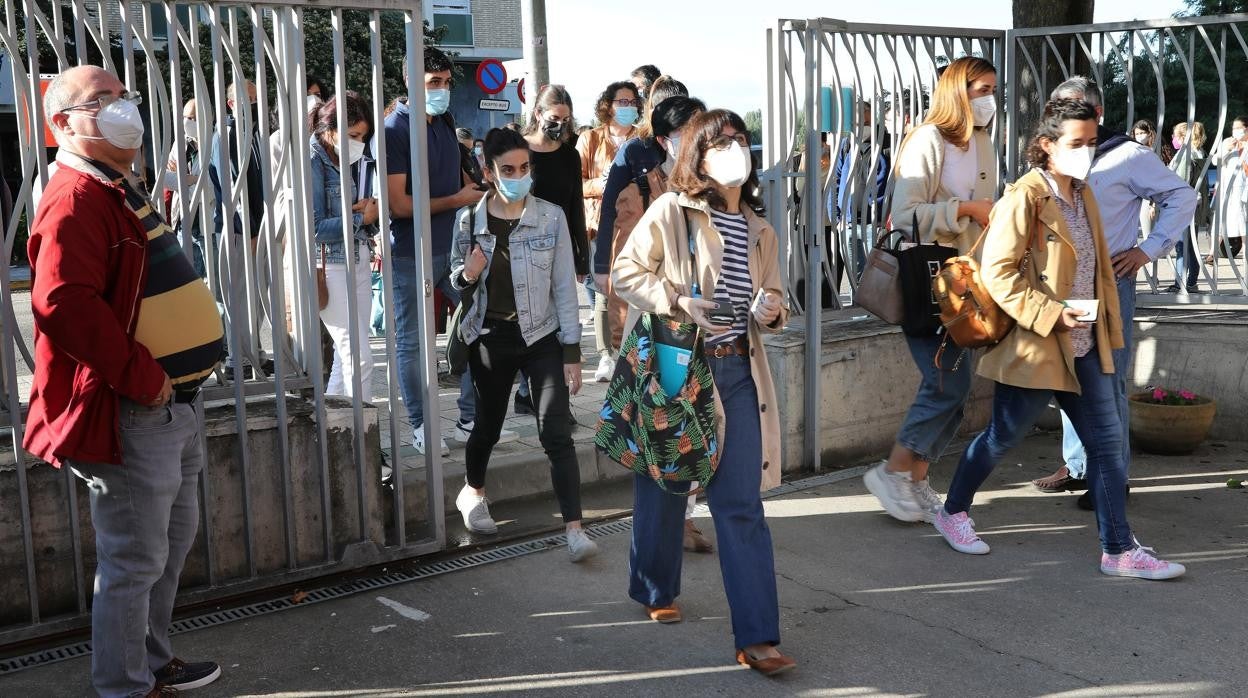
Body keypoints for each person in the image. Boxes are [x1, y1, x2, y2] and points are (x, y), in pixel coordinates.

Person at [29, 65, 226, 696]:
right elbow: (61, 304)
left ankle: (150, 660)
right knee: (135, 558)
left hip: (173, 407)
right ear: (62, 123)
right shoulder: (76, 198)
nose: (122, 106)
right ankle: (124, 685)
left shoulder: (116, 185)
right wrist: (146, 380)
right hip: (136, 409)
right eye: (102, 100)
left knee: (165, 548)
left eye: (124, 95)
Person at [933, 98, 1185, 581]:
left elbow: (1097, 274)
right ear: (1046, 145)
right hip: (1040, 345)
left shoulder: (1083, 192)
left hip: (1087, 345)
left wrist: (1107, 328)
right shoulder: (1024, 196)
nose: (1086, 152)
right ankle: (953, 511)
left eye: (1092, 142)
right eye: (1076, 143)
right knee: (1001, 436)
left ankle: (1118, 550)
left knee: (1108, 447)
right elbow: (1000, 275)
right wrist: (1053, 313)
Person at [612, 109, 795, 675]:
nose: (735, 150)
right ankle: (654, 586)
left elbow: (776, 300)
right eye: (721, 143)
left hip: (738, 371)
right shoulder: (673, 210)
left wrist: (771, 309)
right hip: (677, 365)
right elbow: (625, 272)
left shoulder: (763, 227)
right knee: (666, 484)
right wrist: (676, 299)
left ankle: (758, 638)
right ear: (699, 156)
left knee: (740, 504)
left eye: (741, 140)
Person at [1030, 78, 1197, 500]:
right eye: (1057, 107)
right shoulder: (1054, 155)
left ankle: (1111, 480)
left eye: (1070, 107)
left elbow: (1182, 196)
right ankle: (1079, 465)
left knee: (1106, 380)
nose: (1061, 115)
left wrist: (1148, 250)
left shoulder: (1127, 155)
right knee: (1068, 375)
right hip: (1062, 286)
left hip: (1107, 285)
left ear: (1096, 114)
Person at [862, 56, 999, 524]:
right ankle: (894, 469)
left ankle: (915, 479)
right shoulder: (928, 139)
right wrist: (967, 209)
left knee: (953, 384)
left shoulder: (981, 142)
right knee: (947, 380)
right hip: (928, 276)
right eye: (980, 89)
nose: (988, 99)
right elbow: (905, 215)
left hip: (964, 279)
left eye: (992, 90)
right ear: (957, 91)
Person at [448, 128, 596, 561]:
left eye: (525, 168)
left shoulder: (550, 216)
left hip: (542, 336)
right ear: (489, 172)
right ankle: (472, 491)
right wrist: (470, 272)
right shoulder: (469, 221)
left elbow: (565, 289)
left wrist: (572, 351)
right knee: (488, 426)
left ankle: (575, 529)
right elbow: (456, 282)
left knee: (555, 430)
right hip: (491, 337)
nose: (519, 175)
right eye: (508, 169)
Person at [594, 93, 713, 553]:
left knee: (697, 427)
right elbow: (628, 267)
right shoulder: (645, 190)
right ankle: (661, 540)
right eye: (688, 132)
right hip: (663, 327)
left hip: (708, 330)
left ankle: (682, 516)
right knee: (665, 431)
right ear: (665, 140)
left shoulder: (719, 190)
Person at [383, 47, 516, 455]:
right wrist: (457, 199)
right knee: (413, 343)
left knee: (479, 324)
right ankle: (423, 427)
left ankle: (469, 418)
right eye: (432, 83)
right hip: (411, 252)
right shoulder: (394, 130)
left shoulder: (443, 121)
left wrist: (480, 191)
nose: (441, 90)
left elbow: (459, 176)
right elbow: (399, 206)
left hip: (456, 248)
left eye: (445, 82)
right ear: (410, 81)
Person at [512, 85, 589, 420]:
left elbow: (575, 205)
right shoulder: (520, 151)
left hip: (558, 246)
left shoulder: (569, 154)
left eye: (566, 119)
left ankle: (553, 400)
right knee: (530, 323)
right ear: (538, 114)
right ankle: (528, 391)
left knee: (559, 324)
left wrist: (582, 255)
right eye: (554, 117)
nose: (560, 124)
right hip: (524, 245)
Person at [309, 92, 378, 399]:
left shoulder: (339, 156)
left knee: (345, 357)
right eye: (353, 135)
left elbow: (340, 211)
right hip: (330, 265)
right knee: (359, 358)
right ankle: (360, 438)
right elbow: (314, 228)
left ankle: (333, 433)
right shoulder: (313, 158)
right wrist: (361, 218)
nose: (359, 143)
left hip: (357, 257)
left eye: (363, 136)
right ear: (330, 128)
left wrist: (360, 211)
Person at [577, 80, 641, 383]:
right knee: (603, 288)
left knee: (631, 287)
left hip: (634, 227)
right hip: (599, 223)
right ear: (608, 104)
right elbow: (575, 182)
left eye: (632, 102)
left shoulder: (641, 139)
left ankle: (632, 347)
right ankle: (607, 354)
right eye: (621, 101)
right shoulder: (591, 139)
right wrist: (600, 185)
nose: (627, 107)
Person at [208, 80, 268, 382]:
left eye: (256, 98)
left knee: (253, 297)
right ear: (232, 103)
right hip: (238, 229)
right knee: (241, 296)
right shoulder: (230, 134)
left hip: (249, 226)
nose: (255, 104)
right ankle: (238, 359)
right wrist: (251, 229)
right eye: (249, 99)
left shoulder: (248, 131)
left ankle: (253, 353)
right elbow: (235, 187)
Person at [164, 97, 211, 278]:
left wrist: (184, 179)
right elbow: (166, 178)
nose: (186, 122)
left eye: (192, 118)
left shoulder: (214, 141)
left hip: (208, 223)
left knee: (216, 285)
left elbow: (210, 187)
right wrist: (191, 179)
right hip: (184, 221)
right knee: (190, 280)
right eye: (184, 117)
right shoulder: (181, 143)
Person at [1165, 120, 1208, 294]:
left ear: (1183, 137)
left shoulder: (1185, 154)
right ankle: (1191, 282)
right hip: (1196, 206)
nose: (1173, 138)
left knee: (1182, 246)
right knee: (1192, 246)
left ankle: (1179, 283)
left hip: (1183, 206)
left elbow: (1180, 180)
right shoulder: (1200, 153)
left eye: (1175, 135)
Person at [1207, 116, 1247, 264]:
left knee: (1241, 218)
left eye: (1239, 128)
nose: (1235, 131)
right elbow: (1214, 161)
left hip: (1242, 189)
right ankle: (1212, 253)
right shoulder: (1228, 142)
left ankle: (1245, 251)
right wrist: (1225, 150)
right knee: (1220, 218)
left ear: (1246, 129)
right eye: (1234, 128)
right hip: (1225, 189)